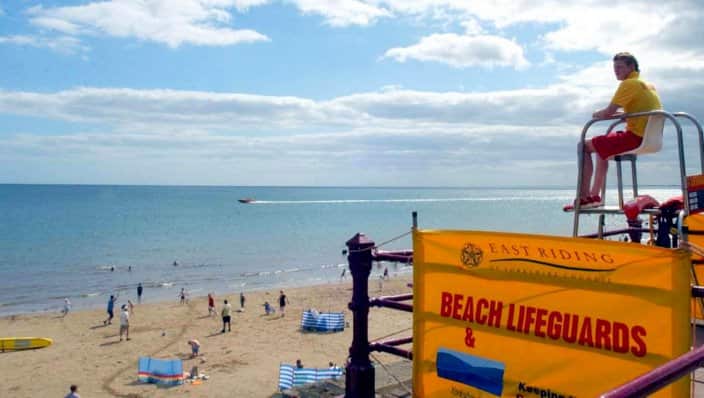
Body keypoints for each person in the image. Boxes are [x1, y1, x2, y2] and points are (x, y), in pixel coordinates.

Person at [565, 52, 662, 211]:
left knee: (583, 146)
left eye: (620, 67)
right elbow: (637, 112)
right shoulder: (647, 86)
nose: (616, 71)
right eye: (614, 67)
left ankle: (584, 197)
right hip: (649, 139)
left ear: (631, 67)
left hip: (635, 138)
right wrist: (621, 115)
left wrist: (599, 113)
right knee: (602, 145)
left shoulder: (628, 84)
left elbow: (608, 112)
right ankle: (594, 196)